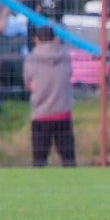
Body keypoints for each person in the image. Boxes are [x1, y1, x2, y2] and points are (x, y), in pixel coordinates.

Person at [24, 26, 74, 166]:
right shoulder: (65, 56)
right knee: (68, 158)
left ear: (36, 40)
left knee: (39, 160)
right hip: (62, 112)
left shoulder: (31, 59)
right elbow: (69, 75)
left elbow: (28, 82)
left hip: (40, 114)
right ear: (55, 38)